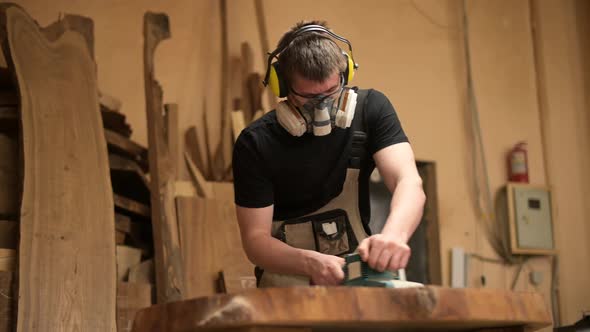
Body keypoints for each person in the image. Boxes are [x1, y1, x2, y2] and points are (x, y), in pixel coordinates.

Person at [232, 20, 425, 287]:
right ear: (283, 86)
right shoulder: (256, 143)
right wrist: (309, 263)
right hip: (286, 285)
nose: (323, 107)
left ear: (345, 74)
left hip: (355, 278)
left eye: (332, 93)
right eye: (310, 98)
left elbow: (409, 182)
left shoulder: (372, 110)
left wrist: (394, 236)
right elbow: (255, 241)